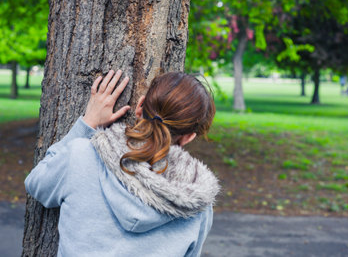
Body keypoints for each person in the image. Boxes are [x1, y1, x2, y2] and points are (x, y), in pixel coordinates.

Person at [25, 70, 219, 257]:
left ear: (140, 106)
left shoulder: (81, 155)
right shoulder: (197, 204)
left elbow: (36, 184)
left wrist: (88, 124)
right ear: (189, 137)